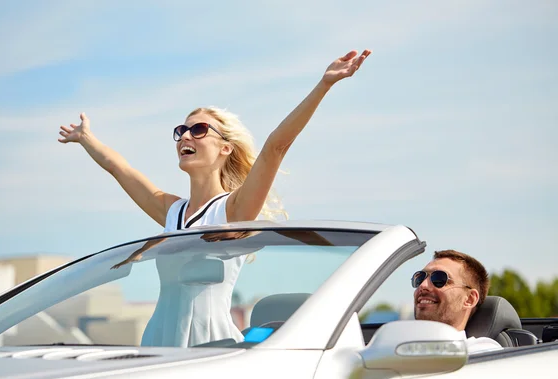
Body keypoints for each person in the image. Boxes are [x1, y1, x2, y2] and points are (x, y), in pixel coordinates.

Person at [58, 48, 372, 347]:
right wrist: (87, 139)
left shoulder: (233, 210)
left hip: (213, 347)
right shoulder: (171, 211)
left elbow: (276, 147)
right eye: (182, 130)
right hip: (159, 344)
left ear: (225, 147)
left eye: (198, 130)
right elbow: (119, 168)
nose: (185, 136)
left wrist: (324, 85)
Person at [411, 249, 503, 354]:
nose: (423, 285)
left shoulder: (482, 351)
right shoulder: (400, 345)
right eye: (419, 278)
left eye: (439, 279)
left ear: (469, 299)